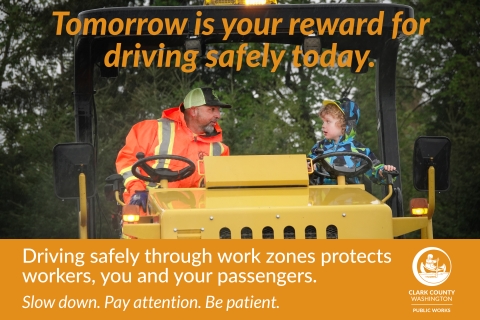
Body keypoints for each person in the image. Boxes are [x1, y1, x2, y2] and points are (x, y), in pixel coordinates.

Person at [116, 87, 231, 210]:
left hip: (196, 218)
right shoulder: (151, 129)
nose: (218, 115)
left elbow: (220, 190)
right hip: (146, 209)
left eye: (218, 111)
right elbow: (127, 161)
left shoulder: (220, 149)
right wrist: (136, 190)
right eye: (212, 109)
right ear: (193, 111)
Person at [308, 98, 396, 185]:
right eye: (323, 121)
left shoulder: (360, 150)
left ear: (344, 124)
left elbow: (375, 169)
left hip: (352, 196)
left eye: (328, 121)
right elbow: (309, 165)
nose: (323, 126)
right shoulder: (319, 148)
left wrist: (383, 171)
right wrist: (309, 167)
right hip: (323, 196)